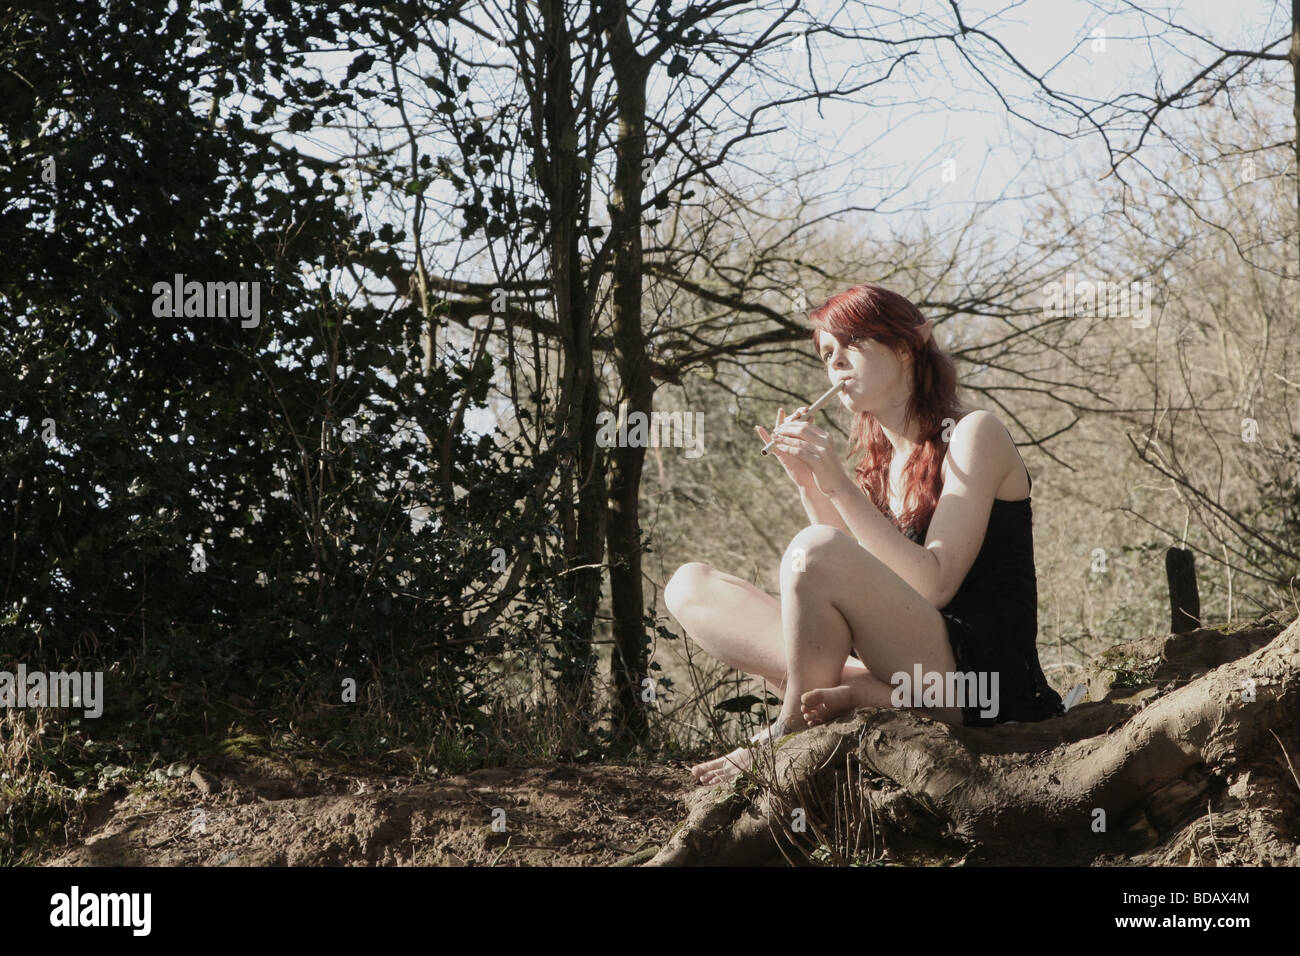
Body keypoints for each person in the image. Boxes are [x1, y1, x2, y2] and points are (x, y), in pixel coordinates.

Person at [664, 283, 1064, 786]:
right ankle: (864, 691)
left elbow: (933, 584)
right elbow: (830, 584)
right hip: (905, 668)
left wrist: (837, 484)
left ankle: (788, 728)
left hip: (982, 681)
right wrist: (811, 484)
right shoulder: (877, 470)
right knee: (690, 585)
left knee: (814, 551)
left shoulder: (974, 434)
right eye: (827, 354)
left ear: (905, 346)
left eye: (851, 344)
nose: (836, 363)